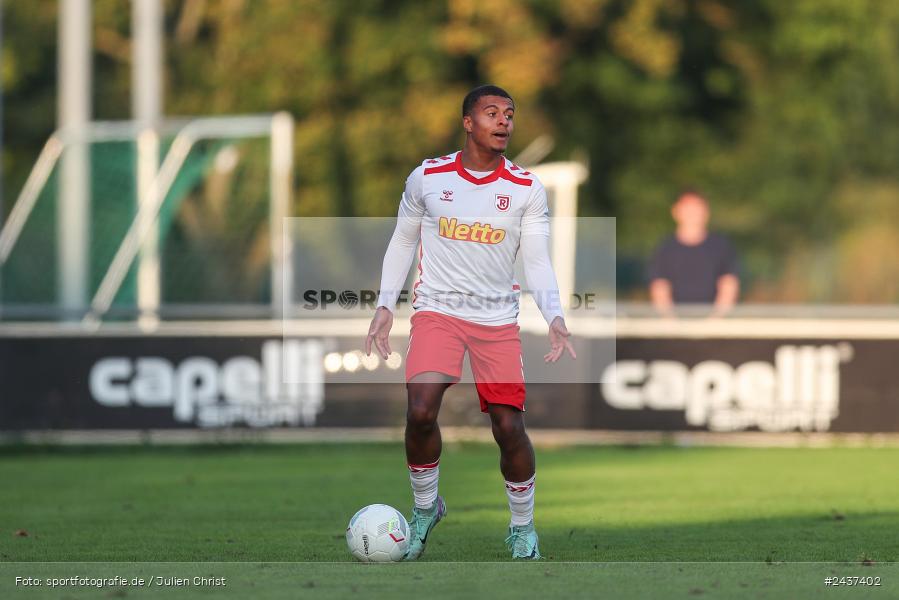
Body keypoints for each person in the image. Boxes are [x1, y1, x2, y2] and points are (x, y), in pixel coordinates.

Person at [365, 85, 575, 561]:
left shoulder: (525, 188)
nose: (503, 121)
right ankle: (425, 508)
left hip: (496, 321)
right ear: (468, 122)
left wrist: (555, 315)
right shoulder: (427, 177)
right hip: (437, 312)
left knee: (507, 427)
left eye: (510, 114)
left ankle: (523, 527)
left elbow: (537, 262)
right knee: (420, 409)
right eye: (492, 113)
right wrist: (383, 305)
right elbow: (402, 242)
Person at [648, 190, 740, 317]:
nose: (693, 213)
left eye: (697, 208)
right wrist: (671, 322)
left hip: (713, 325)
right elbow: (660, 287)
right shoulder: (665, 248)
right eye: (688, 208)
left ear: (706, 211)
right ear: (676, 211)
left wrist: (715, 320)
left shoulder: (721, 246)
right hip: (674, 326)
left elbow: (729, 284)